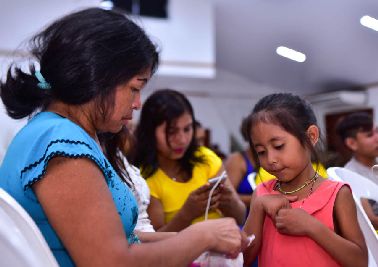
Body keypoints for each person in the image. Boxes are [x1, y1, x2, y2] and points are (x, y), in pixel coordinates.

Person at [0, 8, 246, 267]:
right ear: (100, 78)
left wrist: (196, 239)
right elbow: (112, 261)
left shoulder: (54, 132)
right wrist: (202, 235)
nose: (138, 103)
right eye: (135, 88)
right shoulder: (62, 145)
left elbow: (116, 239)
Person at [243, 93, 367, 267]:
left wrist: (312, 227)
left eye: (279, 146)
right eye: (261, 151)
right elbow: (243, 259)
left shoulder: (337, 194)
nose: (270, 159)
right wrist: (257, 209)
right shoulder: (262, 194)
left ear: (311, 136)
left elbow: (360, 261)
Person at [133, 89, 246, 232]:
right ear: (149, 131)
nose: (182, 139)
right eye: (172, 132)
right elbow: (153, 241)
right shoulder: (144, 178)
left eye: (187, 129)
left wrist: (230, 203)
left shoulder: (206, 159)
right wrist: (186, 214)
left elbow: (240, 217)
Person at [336, 112, 378, 229]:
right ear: (352, 143)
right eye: (370, 135)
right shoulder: (350, 176)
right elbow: (371, 220)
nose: (377, 138)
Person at [225, 116, 257, 207]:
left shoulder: (271, 159)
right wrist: (260, 200)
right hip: (245, 219)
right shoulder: (237, 160)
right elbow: (227, 197)